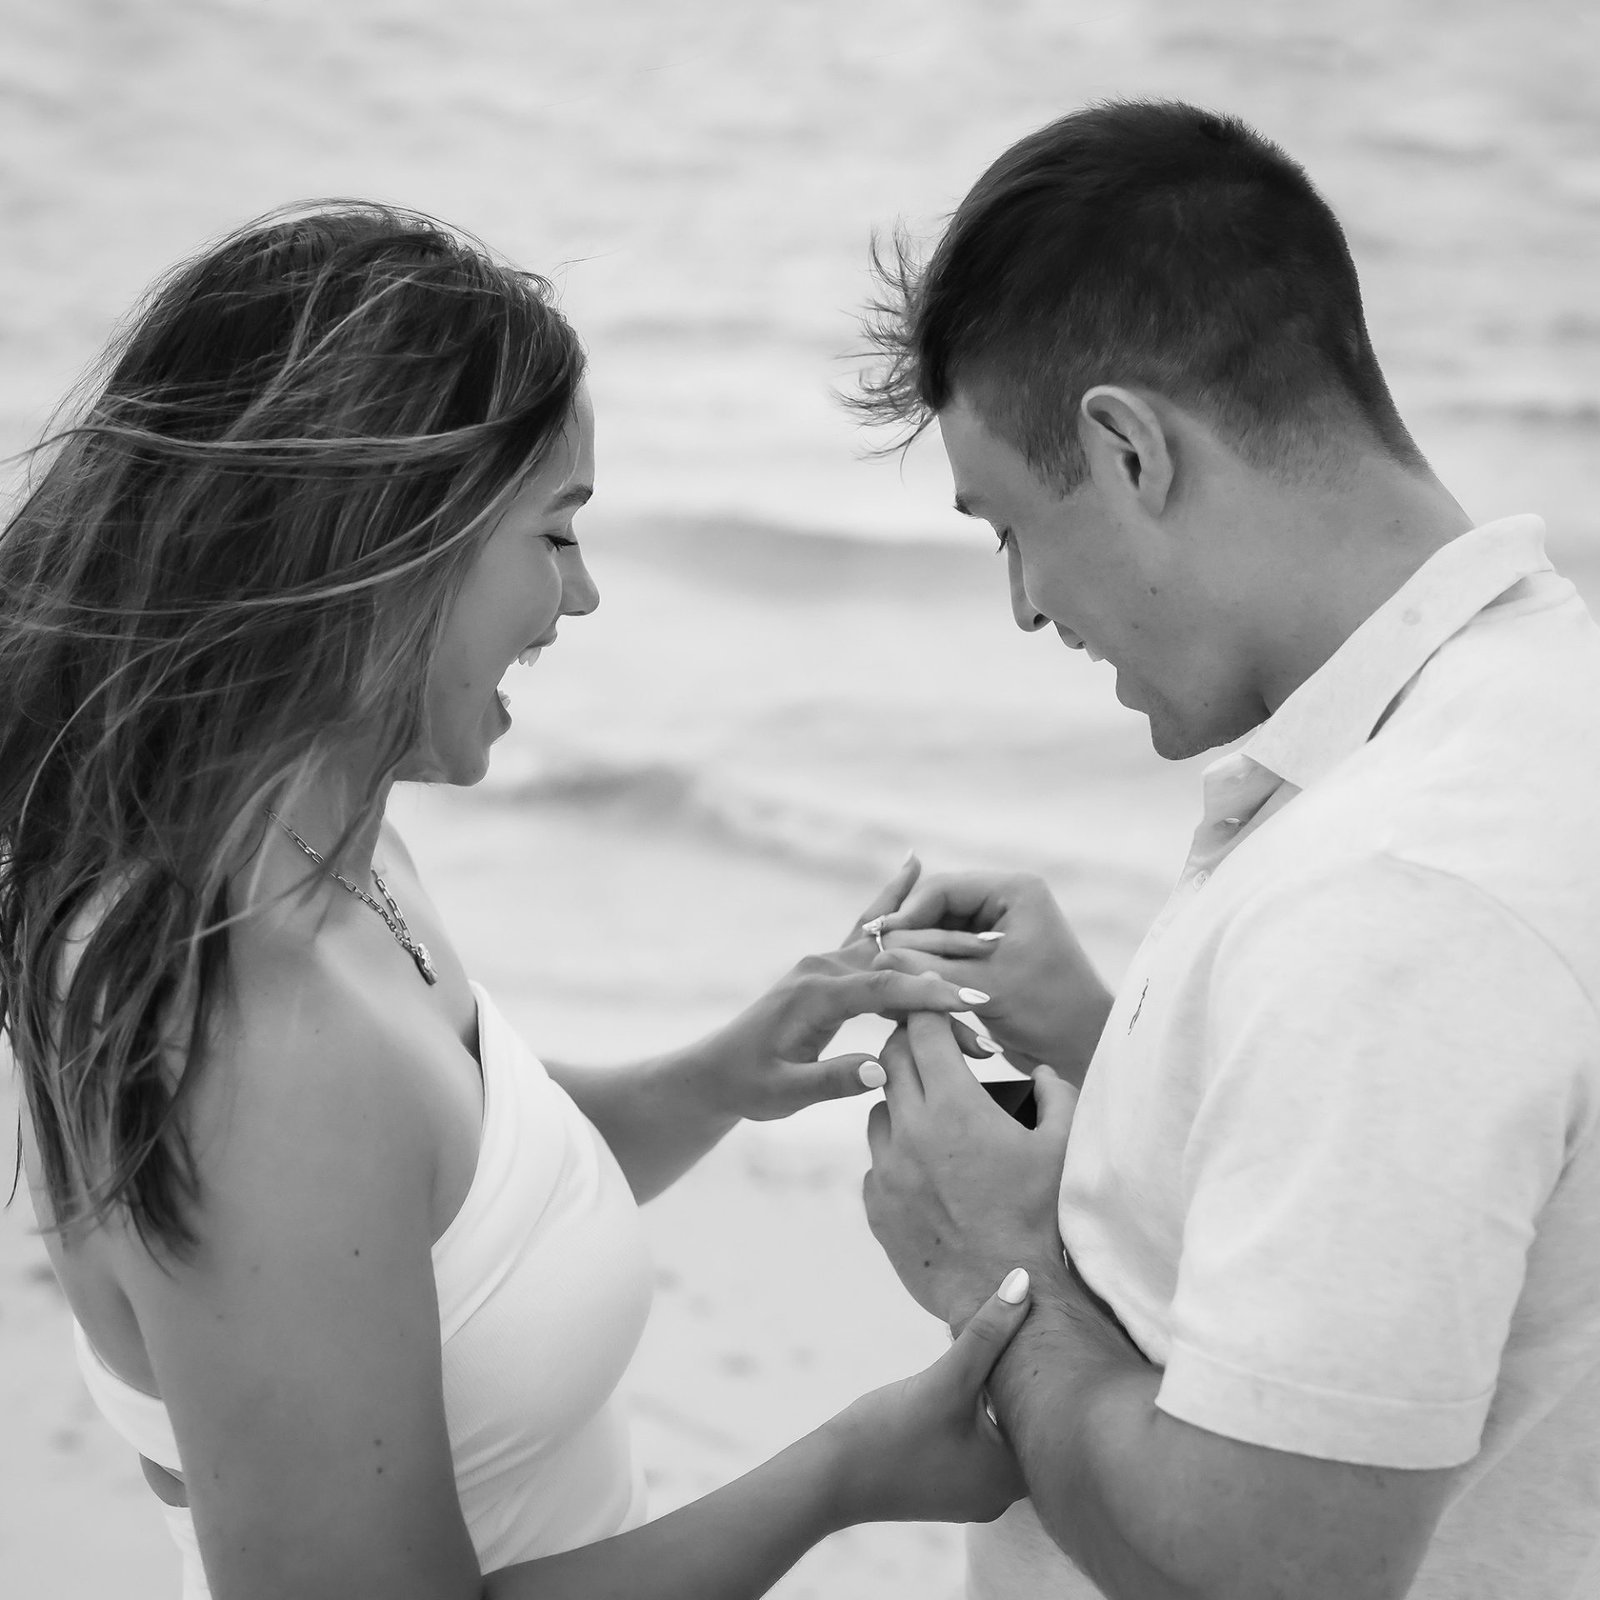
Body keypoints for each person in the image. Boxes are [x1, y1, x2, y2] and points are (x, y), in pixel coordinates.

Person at [0, 202, 1035, 1600]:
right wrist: (849, 1470)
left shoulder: (332, 860)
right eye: (554, 536)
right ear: (388, 551)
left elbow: (456, 1194)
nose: (586, 594)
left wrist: (726, 1071)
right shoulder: (259, 1045)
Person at [849, 100, 1600, 1600]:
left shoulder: (1396, 895)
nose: (1025, 609)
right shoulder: (1527, 714)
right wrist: (1110, 1040)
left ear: (1130, 450)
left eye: (1007, 525)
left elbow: (1275, 1564)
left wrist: (996, 1272)